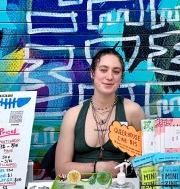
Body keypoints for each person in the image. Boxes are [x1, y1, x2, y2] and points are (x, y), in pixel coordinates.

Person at [56, 48, 146, 178]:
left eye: (116, 72)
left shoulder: (132, 111)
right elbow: (61, 170)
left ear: (121, 77)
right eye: (103, 70)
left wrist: (122, 168)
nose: (109, 77)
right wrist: (97, 168)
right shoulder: (73, 115)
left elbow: (144, 156)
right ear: (92, 73)